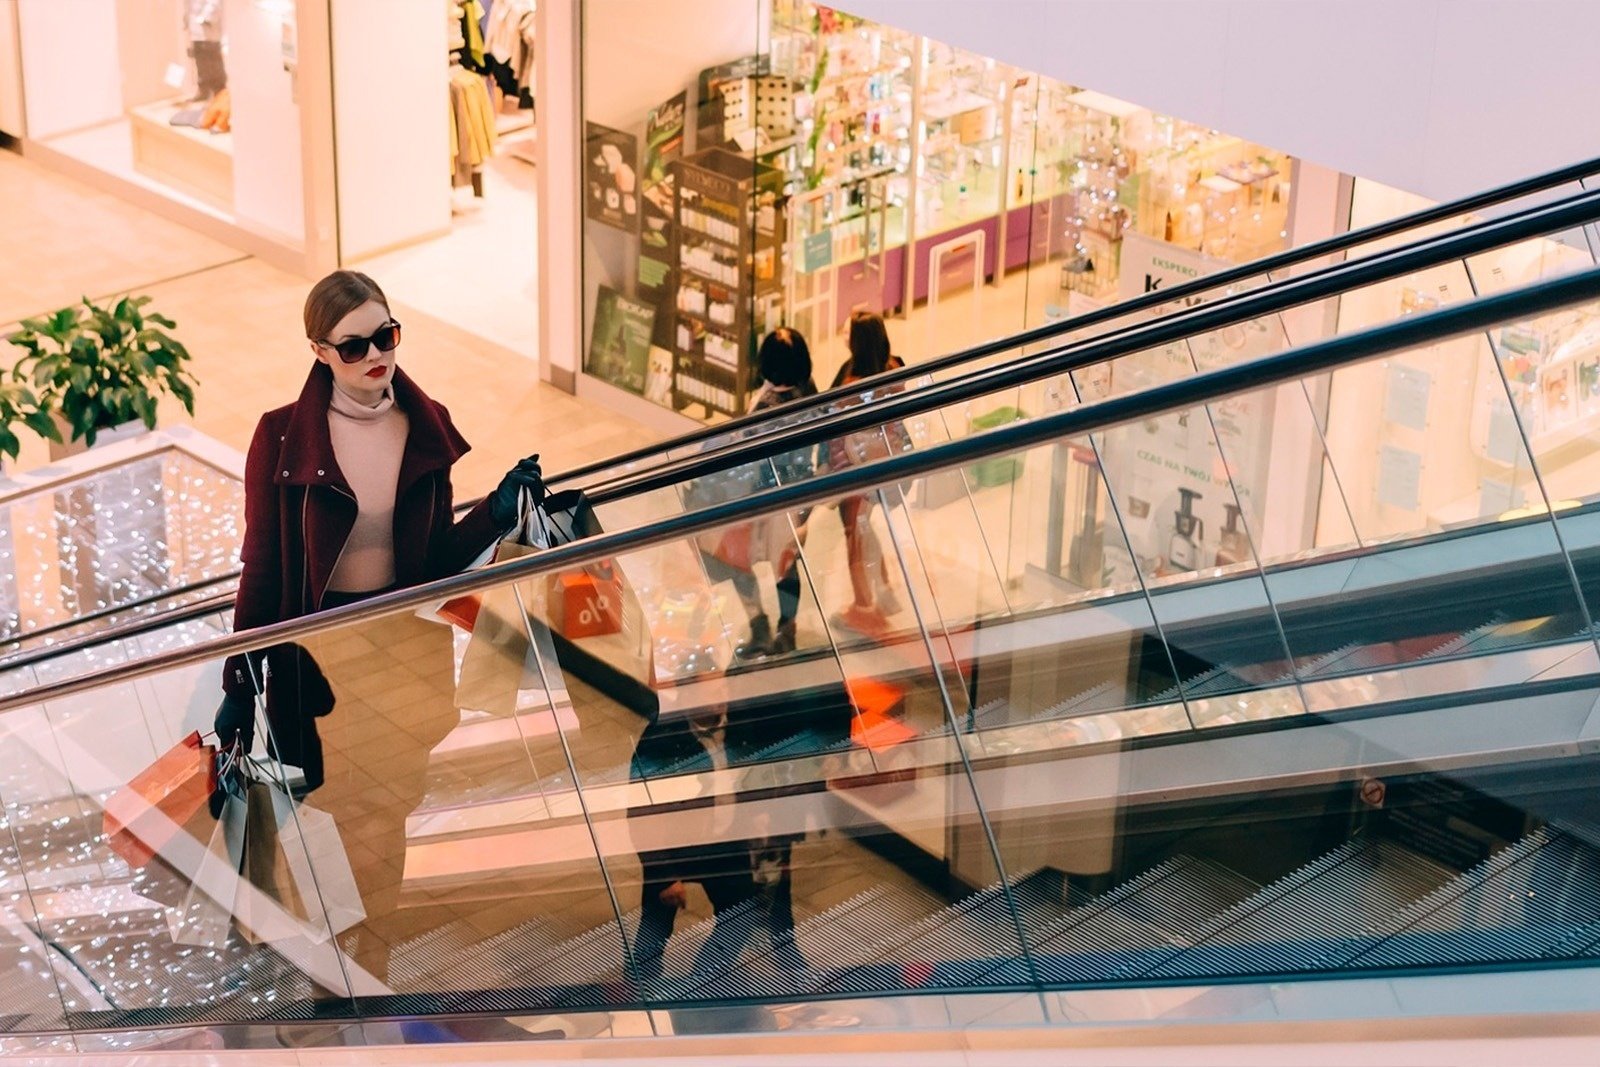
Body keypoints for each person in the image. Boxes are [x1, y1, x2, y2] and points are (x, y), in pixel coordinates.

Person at [213, 269, 544, 987]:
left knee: (388, 817)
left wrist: (494, 510)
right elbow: (262, 570)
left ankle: (375, 954)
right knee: (326, 817)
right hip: (314, 666)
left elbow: (432, 564)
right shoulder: (279, 439)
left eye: (386, 335)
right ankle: (332, 962)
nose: (376, 355)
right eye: (355, 343)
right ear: (319, 350)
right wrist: (239, 680)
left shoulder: (420, 429)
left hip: (399, 658)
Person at [697, 328, 818, 659]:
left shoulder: (767, 408)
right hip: (799, 498)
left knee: (734, 560)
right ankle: (786, 630)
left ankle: (760, 624)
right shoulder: (810, 391)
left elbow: (749, 460)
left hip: (763, 501)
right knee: (786, 568)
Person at [824, 310, 908, 635]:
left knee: (854, 536)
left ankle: (864, 608)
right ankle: (884, 590)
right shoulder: (895, 367)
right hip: (886, 462)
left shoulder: (853, 388)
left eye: (849, 332)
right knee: (866, 527)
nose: (843, 334)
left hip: (855, 468)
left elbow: (831, 416)